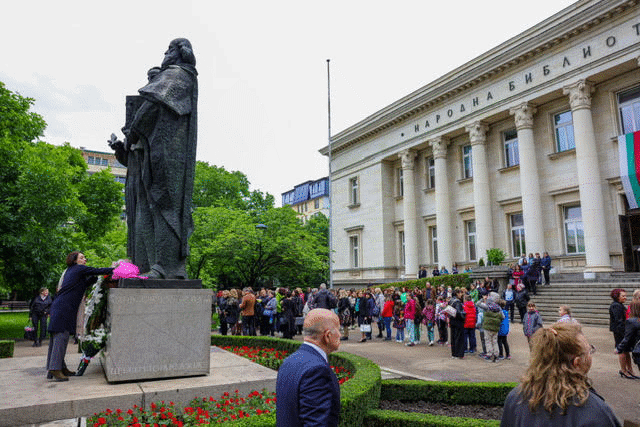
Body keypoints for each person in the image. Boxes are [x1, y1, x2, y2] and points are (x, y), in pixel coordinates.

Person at [109, 38, 198, 279]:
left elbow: (151, 105)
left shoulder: (178, 74)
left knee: (164, 209)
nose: (165, 54)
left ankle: (167, 266)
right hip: (155, 154)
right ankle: (150, 263)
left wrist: (134, 130)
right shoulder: (176, 75)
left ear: (178, 53)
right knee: (149, 210)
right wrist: (127, 142)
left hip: (168, 156)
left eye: (169, 50)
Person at [501, 322, 620, 426]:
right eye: (589, 350)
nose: (591, 354)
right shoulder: (595, 411)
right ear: (577, 363)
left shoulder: (515, 398)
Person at [46, 252, 113, 381]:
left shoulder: (73, 272)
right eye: (81, 257)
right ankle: (55, 368)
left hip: (60, 307)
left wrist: (97, 279)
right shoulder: (78, 268)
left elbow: (84, 284)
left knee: (57, 339)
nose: (85, 259)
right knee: (61, 337)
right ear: (74, 260)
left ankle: (58, 367)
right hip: (63, 308)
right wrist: (116, 269)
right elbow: (96, 271)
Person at [276, 309, 341, 427]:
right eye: (338, 330)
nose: (340, 335)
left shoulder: (290, 360)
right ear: (327, 336)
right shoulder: (317, 370)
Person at [609, 288, 634, 379]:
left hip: (623, 330)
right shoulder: (616, 306)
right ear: (617, 296)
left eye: (625, 296)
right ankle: (624, 370)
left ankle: (630, 370)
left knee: (626, 350)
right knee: (622, 350)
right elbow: (618, 321)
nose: (625, 297)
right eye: (623, 296)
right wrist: (624, 332)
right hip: (620, 331)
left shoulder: (619, 305)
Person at [616, 301, 640, 378]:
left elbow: (627, 338)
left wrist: (619, 348)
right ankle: (627, 370)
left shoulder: (631, 321)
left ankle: (626, 370)